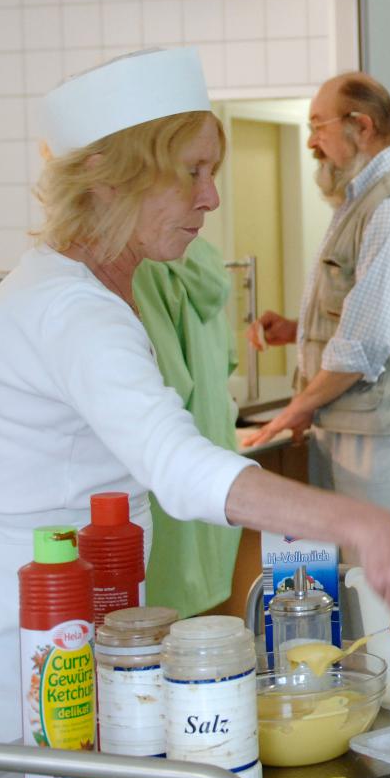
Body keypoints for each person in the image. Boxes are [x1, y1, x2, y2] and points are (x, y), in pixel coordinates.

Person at [0, 49, 390, 744]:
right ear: (109, 177)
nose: (210, 198)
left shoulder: (90, 290)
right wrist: (363, 524)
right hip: (28, 628)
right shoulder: (71, 310)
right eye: (191, 173)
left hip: (79, 608)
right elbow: (179, 468)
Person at [245, 73, 390, 534]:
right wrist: (299, 328)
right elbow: (367, 311)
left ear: (362, 126)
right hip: (349, 421)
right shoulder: (358, 199)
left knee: (376, 580)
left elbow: (364, 343)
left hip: (377, 429)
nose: (312, 142)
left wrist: (299, 406)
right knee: (349, 573)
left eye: (319, 125)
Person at [132, 236, 243, 617]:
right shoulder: (204, 256)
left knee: (159, 640)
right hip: (215, 461)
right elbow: (230, 358)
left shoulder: (143, 266)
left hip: (171, 494)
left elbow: (159, 382)